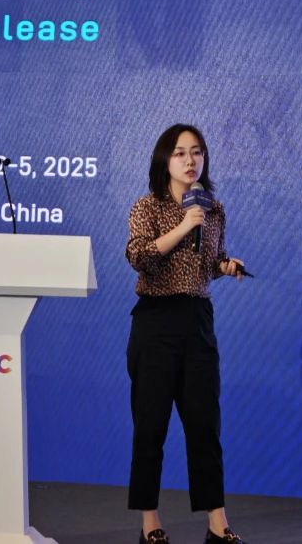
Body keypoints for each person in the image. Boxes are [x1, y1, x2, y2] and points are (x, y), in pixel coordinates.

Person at [124, 123, 250, 544]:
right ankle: (150, 524)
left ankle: (218, 525)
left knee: (205, 427)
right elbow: (139, 257)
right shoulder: (147, 206)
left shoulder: (213, 209)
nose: (190, 160)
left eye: (196, 152)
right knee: (150, 427)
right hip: (156, 322)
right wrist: (182, 226)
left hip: (197, 322)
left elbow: (208, 261)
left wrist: (225, 266)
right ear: (165, 160)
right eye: (180, 153)